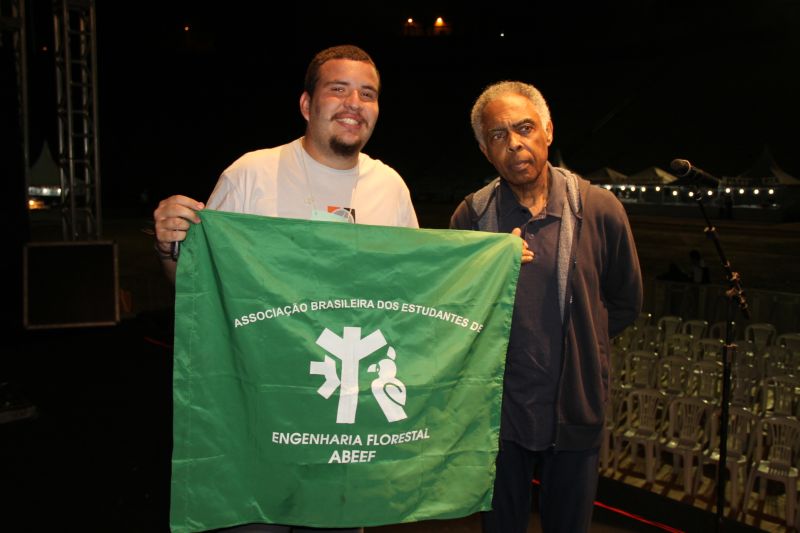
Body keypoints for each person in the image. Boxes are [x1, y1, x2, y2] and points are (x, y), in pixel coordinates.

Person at [152, 44, 418, 533]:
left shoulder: (391, 188)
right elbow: (197, 295)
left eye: (368, 94)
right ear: (306, 104)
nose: (354, 103)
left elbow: (411, 299)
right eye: (338, 89)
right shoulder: (251, 174)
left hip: (344, 431)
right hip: (259, 425)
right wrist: (170, 249)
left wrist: (497, 261)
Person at [450, 81, 643, 533]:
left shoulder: (599, 208)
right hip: (497, 417)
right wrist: (491, 271)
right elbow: (455, 314)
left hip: (575, 410)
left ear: (548, 131)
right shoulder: (471, 218)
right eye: (498, 135)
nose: (514, 143)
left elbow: (625, 302)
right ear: (485, 150)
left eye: (525, 128)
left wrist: (582, 347)